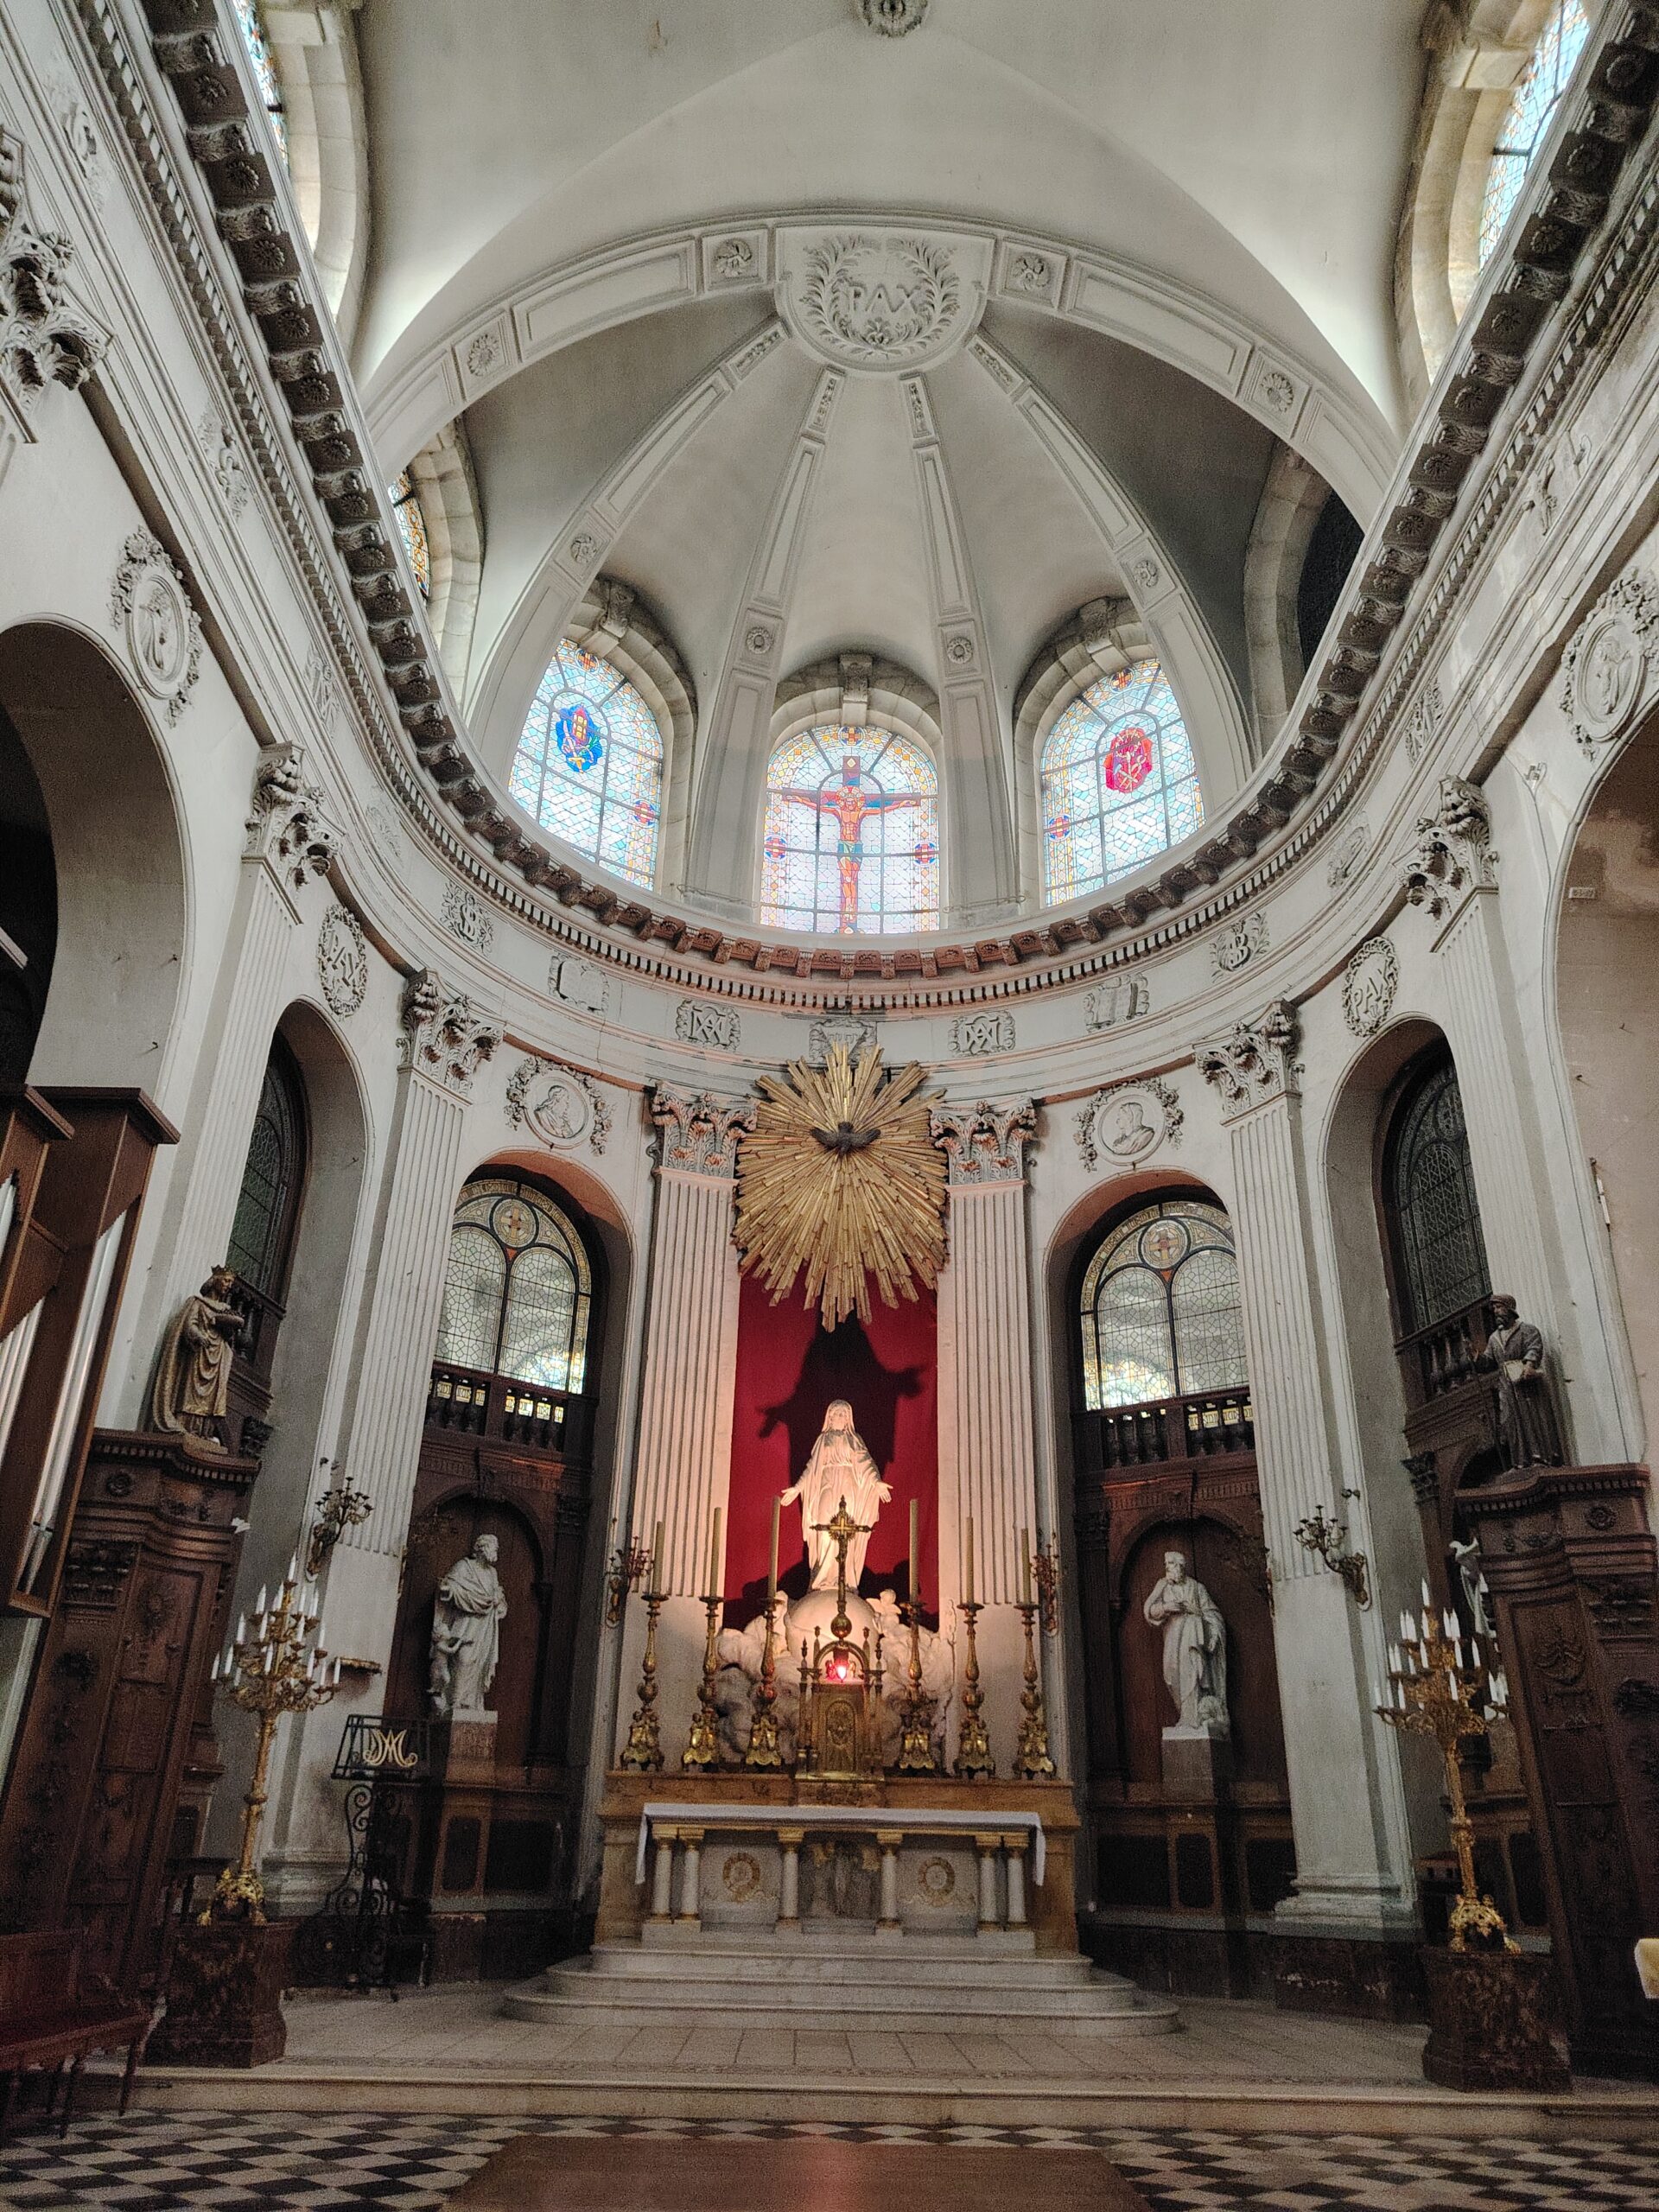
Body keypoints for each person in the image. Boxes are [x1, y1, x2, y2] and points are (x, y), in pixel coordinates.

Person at [779, 1401, 891, 1590]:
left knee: (847, 1530)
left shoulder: (854, 1439)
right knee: (824, 1529)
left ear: (848, 1419)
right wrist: (797, 1488)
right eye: (837, 1413)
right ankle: (823, 1578)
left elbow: (866, 1463)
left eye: (844, 1414)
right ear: (829, 1417)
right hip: (827, 1484)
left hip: (848, 1485)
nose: (841, 1417)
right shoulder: (824, 1439)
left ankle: (844, 1580)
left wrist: (877, 1482)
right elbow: (811, 1467)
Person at [148, 1265, 244, 1446]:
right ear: (215, 1280)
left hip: (216, 1355)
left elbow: (229, 1335)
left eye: (230, 1283)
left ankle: (202, 1431)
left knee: (210, 1397)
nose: (228, 1286)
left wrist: (227, 1328)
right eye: (226, 1281)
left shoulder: (225, 1309)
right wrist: (198, 1335)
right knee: (192, 1391)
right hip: (198, 1353)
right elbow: (189, 1324)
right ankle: (186, 1425)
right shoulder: (198, 1303)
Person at [1142, 1549, 1229, 1732]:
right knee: (1171, 1676)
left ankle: (1194, 1718)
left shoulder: (1197, 1588)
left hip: (1194, 1640)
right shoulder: (1163, 1586)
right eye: (1168, 1565)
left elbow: (1212, 1613)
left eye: (1172, 1565)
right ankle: (1185, 1715)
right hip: (1173, 1641)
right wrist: (1167, 1607)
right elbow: (1150, 1610)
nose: (1169, 1568)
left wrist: (1209, 1629)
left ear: (1181, 1567)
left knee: (1194, 1672)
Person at [1478, 1294, 1565, 1469]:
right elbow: (1488, 1362)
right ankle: (1520, 1462)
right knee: (1511, 1422)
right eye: (1494, 1309)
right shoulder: (1494, 1338)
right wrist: (1475, 1357)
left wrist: (1529, 1365)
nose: (1496, 1312)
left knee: (1532, 1419)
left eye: (1499, 1307)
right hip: (1507, 1387)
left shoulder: (1527, 1330)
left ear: (1510, 1308)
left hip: (1526, 1384)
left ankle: (1540, 1457)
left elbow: (1534, 1348)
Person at [429, 1534, 509, 1715]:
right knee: (463, 1659)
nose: (496, 1551)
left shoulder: (492, 1573)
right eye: (493, 1547)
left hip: (484, 1628)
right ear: (482, 1548)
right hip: (465, 1623)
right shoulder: (464, 1567)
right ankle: (454, 1703)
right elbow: (450, 1588)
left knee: (478, 1664)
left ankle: (470, 1704)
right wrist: (448, 1590)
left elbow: (498, 1598)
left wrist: (498, 1600)